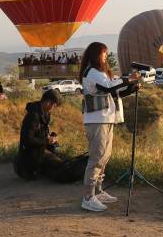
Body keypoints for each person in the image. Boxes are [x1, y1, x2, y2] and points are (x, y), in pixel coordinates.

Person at [79, 42, 139, 212]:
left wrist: (131, 88)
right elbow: (108, 86)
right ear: (95, 55)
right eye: (103, 53)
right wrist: (128, 79)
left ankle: (98, 191)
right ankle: (88, 197)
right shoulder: (92, 72)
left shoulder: (100, 73)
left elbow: (113, 92)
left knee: (104, 158)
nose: (106, 56)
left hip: (105, 119)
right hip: (96, 120)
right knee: (97, 158)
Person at [14, 88, 84, 182]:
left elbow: (40, 134)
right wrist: (47, 141)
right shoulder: (33, 116)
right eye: (54, 105)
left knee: (62, 161)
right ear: (48, 102)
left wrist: (50, 137)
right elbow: (27, 140)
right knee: (61, 167)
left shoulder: (45, 114)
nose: (54, 108)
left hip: (40, 151)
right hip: (29, 157)